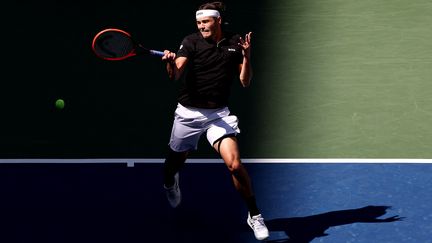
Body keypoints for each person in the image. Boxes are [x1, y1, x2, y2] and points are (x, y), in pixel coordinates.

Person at [161, 2, 269, 241]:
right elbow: (176, 74)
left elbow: (245, 81)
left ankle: (254, 214)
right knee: (172, 166)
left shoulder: (235, 42)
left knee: (234, 165)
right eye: (199, 23)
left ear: (218, 21)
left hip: (218, 115)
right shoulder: (190, 42)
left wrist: (247, 56)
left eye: (206, 22)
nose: (201, 27)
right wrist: (170, 62)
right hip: (188, 114)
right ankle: (171, 182)